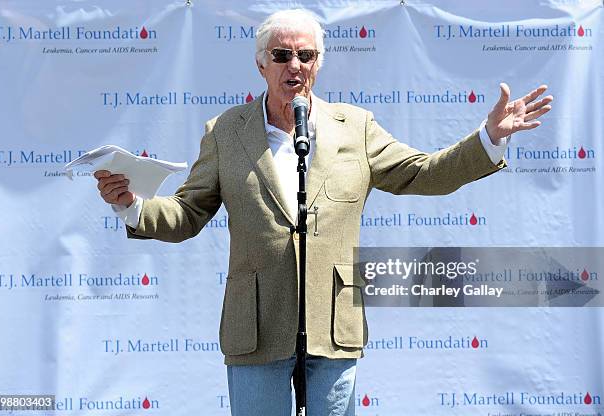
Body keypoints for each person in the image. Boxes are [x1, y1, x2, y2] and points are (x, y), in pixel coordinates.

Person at [94, 9, 553, 416]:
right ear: (260, 63)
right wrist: (131, 205)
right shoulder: (225, 131)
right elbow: (187, 213)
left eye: (306, 56)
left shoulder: (356, 127)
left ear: (319, 63)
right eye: (281, 55)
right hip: (255, 325)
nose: (295, 65)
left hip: (333, 322)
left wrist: (488, 139)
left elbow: (424, 172)